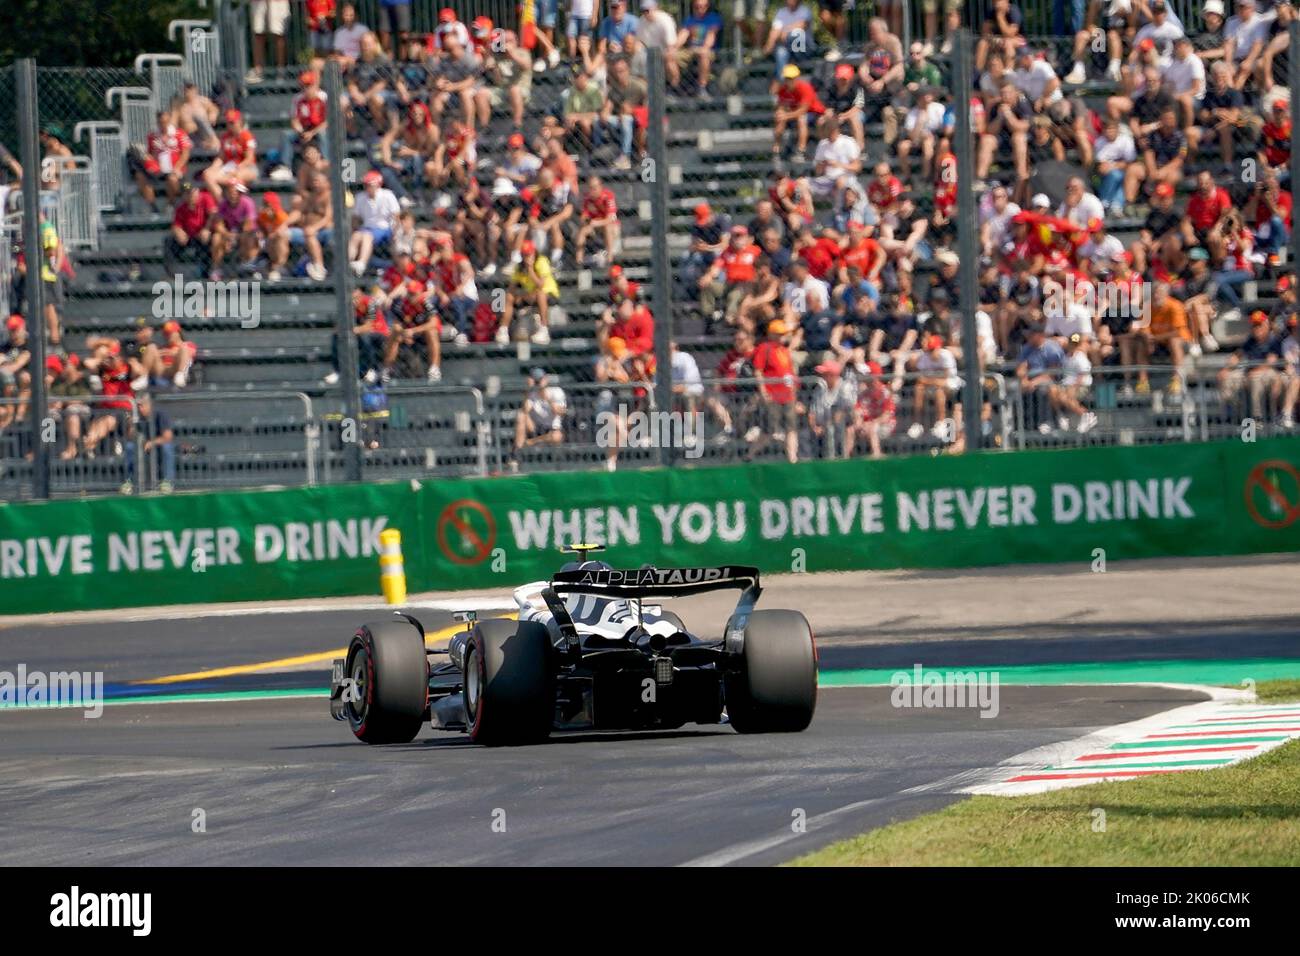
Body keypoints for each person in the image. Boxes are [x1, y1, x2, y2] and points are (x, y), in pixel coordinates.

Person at [122, 392, 177, 495]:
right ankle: (129, 481)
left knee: (167, 447)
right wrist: (131, 423)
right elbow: (130, 436)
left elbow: (168, 436)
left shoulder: (160, 414)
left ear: (149, 405)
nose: (139, 408)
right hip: (142, 446)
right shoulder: (136, 416)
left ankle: (167, 482)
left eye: (141, 405)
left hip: (158, 445)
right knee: (129, 447)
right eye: (137, 406)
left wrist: (152, 442)